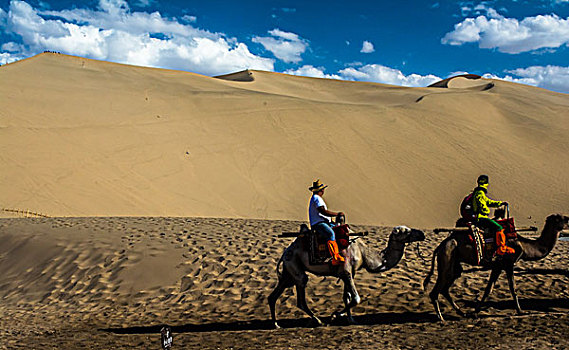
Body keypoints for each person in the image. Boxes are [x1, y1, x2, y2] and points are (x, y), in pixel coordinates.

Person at [472, 175, 515, 256]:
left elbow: (488, 202)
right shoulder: (480, 193)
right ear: (486, 183)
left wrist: (500, 203)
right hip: (481, 218)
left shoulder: (479, 193)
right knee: (499, 227)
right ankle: (501, 249)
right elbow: (482, 205)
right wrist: (487, 211)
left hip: (481, 217)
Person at [308, 179, 345, 265]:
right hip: (318, 224)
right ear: (321, 190)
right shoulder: (316, 198)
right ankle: (335, 258)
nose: (323, 191)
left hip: (323, 222)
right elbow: (322, 211)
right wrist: (337, 214)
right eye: (323, 189)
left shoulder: (317, 198)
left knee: (339, 230)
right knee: (330, 234)